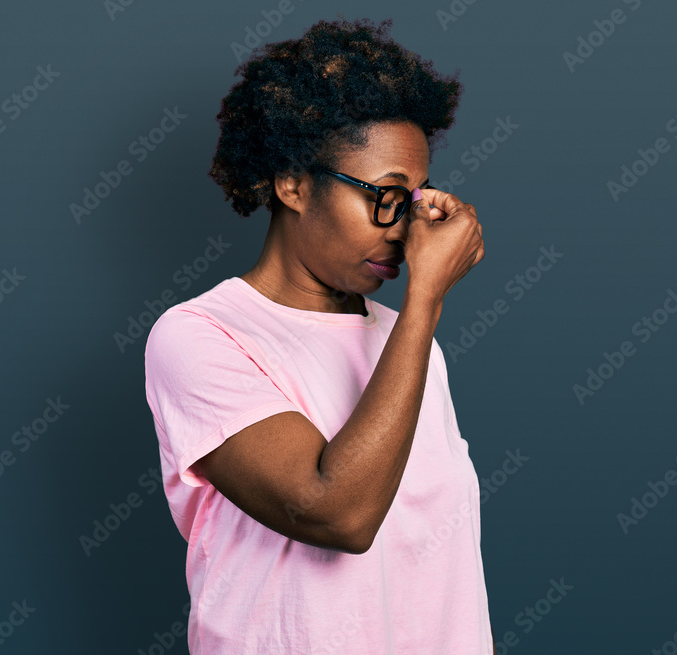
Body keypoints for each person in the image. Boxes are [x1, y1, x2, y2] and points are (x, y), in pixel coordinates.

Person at [144, 17, 491, 654]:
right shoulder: (201, 336)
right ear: (294, 183)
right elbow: (336, 513)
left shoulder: (411, 345)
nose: (403, 230)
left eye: (414, 201)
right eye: (385, 197)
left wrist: (416, 319)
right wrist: (425, 301)